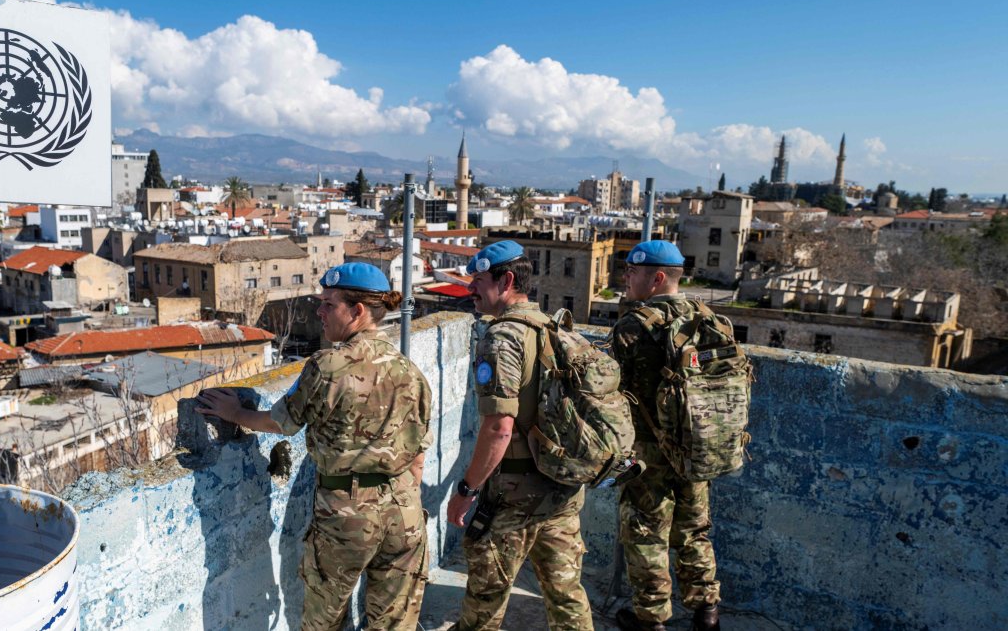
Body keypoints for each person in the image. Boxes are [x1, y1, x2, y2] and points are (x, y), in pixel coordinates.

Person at [196, 262, 432, 631]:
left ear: (357, 311)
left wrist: (235, 411)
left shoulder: (328, 366)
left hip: (348, 515)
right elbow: (418, 453)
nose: (318, 312)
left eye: (328, 304)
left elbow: (280, 422)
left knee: (324, 619)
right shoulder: (411, 371)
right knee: (395, 622)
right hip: (405, 510)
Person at [445, 240, 595, 631]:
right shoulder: (554, 328)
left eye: (477, 280)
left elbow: (499, 428)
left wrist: (467, 490)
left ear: (506, 280)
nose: (470, 289)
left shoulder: (502, 338)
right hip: (562, 486)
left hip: (515, 493)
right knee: (567, 596)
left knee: (485, 600)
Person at [611, 240, 721, 631]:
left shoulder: (633, 326)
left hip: (648, 451)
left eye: (632, 272)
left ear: (657, 278)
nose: (625, 277)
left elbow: (610, 393)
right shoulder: (710, 320)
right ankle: (707, 613)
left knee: (646, 533)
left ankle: (652, 619)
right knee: (693, 529)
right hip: (698, 444)